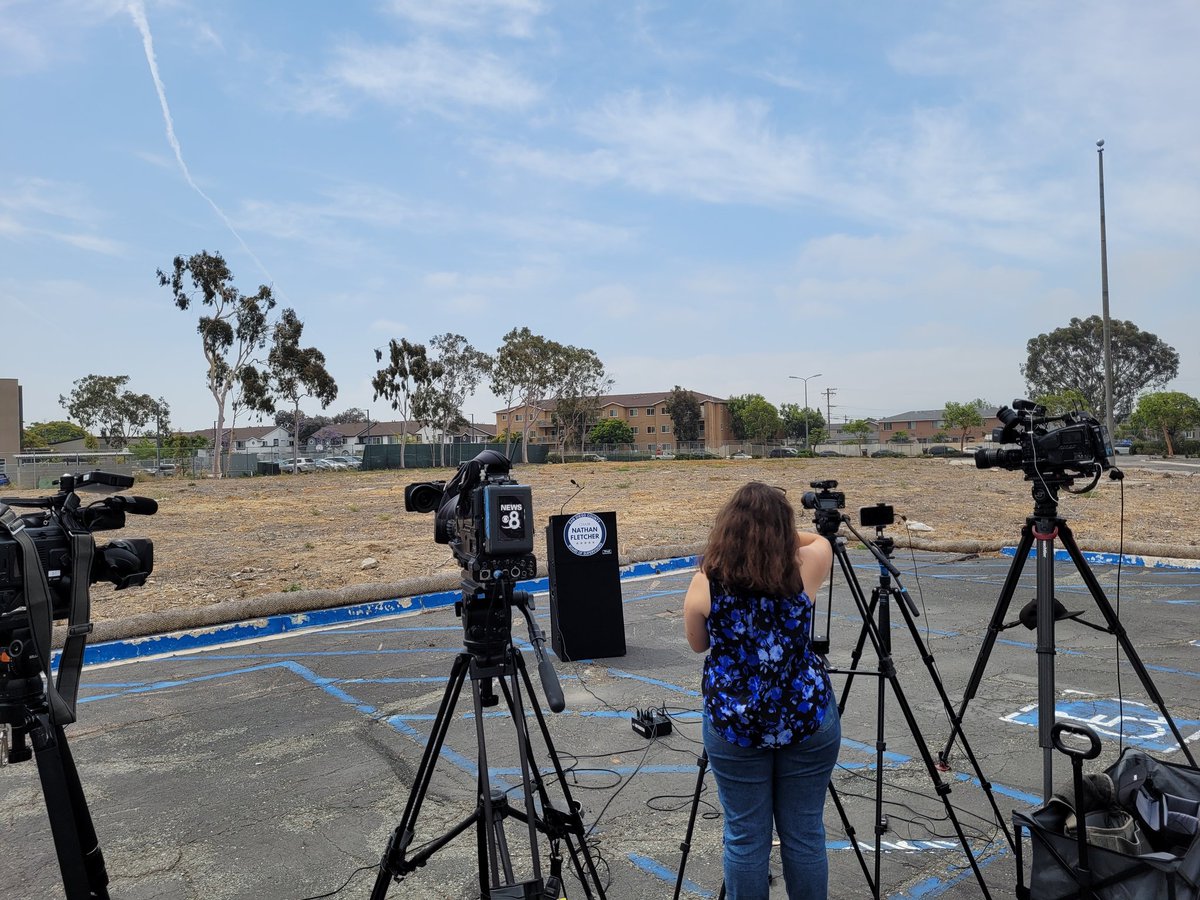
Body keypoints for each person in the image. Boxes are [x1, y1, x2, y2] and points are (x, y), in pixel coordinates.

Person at [683, 481, 840, 899]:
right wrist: (775, 534)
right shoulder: (808, 564)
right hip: (805, 716)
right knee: (805, 833)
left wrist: (741, 544)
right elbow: (820, 539)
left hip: (735, 724)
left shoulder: (706, 583)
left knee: (745, 837)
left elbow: (698, 643)